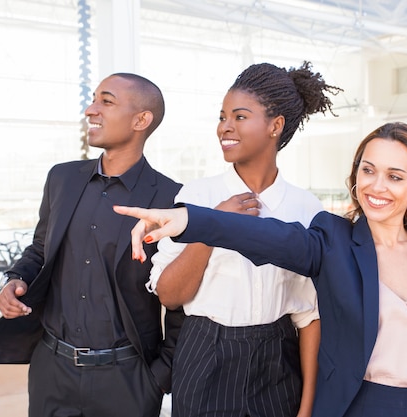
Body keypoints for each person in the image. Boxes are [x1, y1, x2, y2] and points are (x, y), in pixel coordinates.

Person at [114, 122, 407, 417]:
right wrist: (189, 221)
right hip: (360, 407)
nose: (376, 186)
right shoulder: (333, 240)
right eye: (368, 170)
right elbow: (270, 237)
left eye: (395, 176)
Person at [0, 73, 184, 417]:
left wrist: (160, 377)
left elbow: (179, 298)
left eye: (106, 101)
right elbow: (40, 249)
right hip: (51, 373)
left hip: (129, 381)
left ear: (141, 120)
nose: (90, 110)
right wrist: (15, 279)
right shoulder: (62, 178)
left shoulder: (171, 198)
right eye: (94, 99)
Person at [146, 61, 342, 417]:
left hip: (278, 360)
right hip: (205, 354)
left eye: (239, 116)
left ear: (275, 125)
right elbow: (170, 295)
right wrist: (213, 225)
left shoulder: (305, 207)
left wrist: (307, 407)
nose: (225, 127)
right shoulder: (198, 196)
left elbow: (310, 316)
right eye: (222, 117)